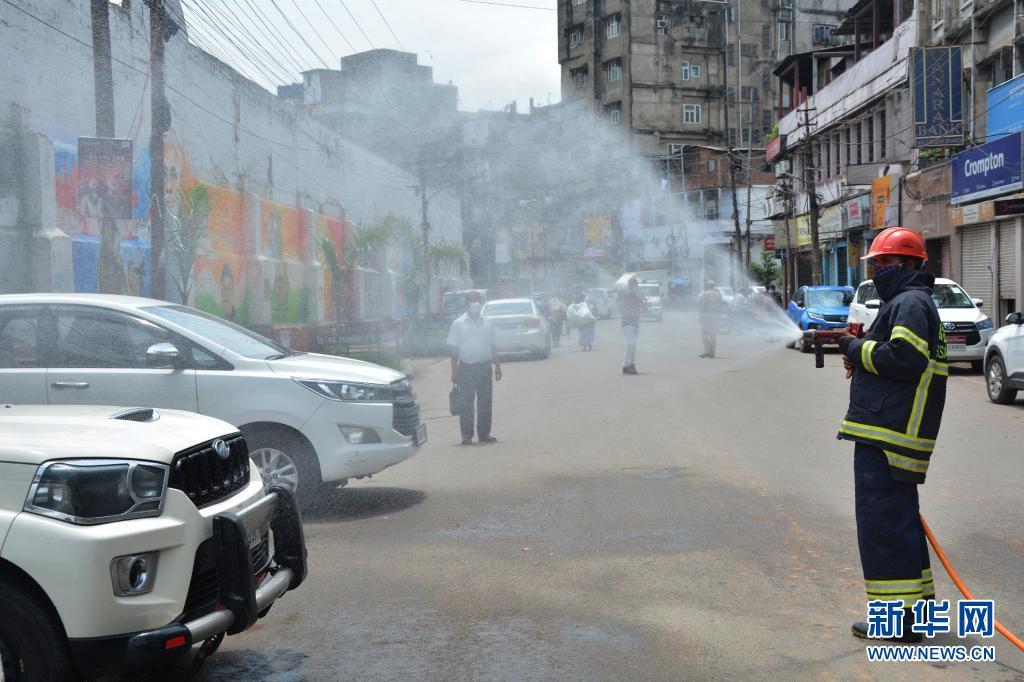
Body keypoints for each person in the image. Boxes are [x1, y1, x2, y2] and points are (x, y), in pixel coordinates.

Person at [835, 227, 947, 643]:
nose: (878, 271)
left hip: (889, 435)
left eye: (884, 263)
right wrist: (865, 355)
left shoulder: (910, 302)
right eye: (876, 264)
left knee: (882, 526)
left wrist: (853, 349)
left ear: (910, 265)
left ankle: (895, 622)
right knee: (898, 526)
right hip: (893, 433)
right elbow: (896, 358)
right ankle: (914, 617)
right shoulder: (908, 303)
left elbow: (905, 359)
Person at [447, 292, 503, 446]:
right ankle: (466, 435)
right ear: (467, 304)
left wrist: (497, 366)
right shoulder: (458, 324)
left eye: (478, 301)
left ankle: (484, 433)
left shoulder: (488, 323)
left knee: (485, 402)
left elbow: (493, 346)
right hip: (467, 369)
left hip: (485, 367)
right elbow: (454, 350)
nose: (475, 304)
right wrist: (454, 371)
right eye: (472, 301)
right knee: (467, 403)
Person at [618, 277, 645, 375]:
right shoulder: (627, 294)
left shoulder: (636, 295)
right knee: (631, 345)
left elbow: (642, 304)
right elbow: (621, 305)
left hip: (634, 323)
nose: (635, 287)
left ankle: (629, 365)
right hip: (628, 323)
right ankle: (628, 365)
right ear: (631, 285)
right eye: (634, 285)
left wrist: (640, 297)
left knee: (632, 346)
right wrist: (637, 295)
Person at [697, 280, 723, 358]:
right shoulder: (718, 294)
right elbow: (720, 305)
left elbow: (702, 305)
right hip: (716, 316)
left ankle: (707, 351)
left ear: (708, 286)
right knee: (713, 334)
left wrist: (700, 316)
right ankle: (712, 352)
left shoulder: (706, 293)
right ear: (714, 286)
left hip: (707, 316)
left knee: (705, 333)